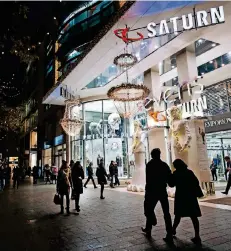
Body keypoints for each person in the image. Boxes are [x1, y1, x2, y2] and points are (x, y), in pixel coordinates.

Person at [141, 148, 173, 244]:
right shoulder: (164, 165)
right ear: (159, 154)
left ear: (152, 155)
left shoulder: (149, 165)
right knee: (166, 213)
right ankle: (169, 234)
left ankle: (149, 229)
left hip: (151, 191)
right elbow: (169, 178)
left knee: (149, 209)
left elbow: (148, 179)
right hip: (162, 190)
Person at [169, 159, 203, 246]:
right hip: (190, 196)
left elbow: (171, 184)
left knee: (178, 215)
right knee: (194, 217)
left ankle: (173, 230)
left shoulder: (176, 173)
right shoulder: (189, 172)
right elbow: (196, 182)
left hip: (181, 196)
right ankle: (197, 236)